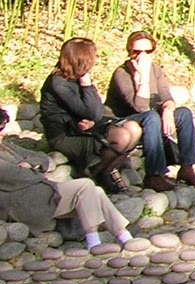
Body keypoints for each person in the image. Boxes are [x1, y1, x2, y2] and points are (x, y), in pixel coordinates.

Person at [0, 108, 134, 250]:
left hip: (42, 193)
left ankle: (123, 236)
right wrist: (35, 171)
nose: (3, 132)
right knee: (85, 185)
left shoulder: (5, 146)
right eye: (1, 128)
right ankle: (93, 241)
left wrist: (30, 164)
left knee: (97, 191)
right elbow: (14, 176)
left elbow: (43, 158)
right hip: (23, 203)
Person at [106, 30, 195, 191]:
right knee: (152, 117)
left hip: (150, 116)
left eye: (147, 52)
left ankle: (187, 168)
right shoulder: (122, 73)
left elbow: (167, 96)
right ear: (129, 52)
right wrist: (142, 78)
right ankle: (154, 175)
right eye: (136, 52)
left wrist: (168, 110)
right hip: (126, 122)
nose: (141, 56)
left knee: (183, 113)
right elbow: (140, 107)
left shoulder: (155, 69)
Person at [38, 38, 141, 195]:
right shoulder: (59, 84)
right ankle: (97, 171)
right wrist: (88, 86)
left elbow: (95, 110)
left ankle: (107, 168)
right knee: (122, 136)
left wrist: (91, 117)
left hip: (83, 127)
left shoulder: (77, 76)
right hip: (64, 135)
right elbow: (93, 112)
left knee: (134, 129)